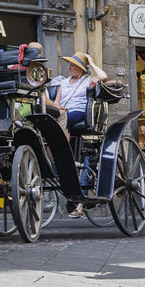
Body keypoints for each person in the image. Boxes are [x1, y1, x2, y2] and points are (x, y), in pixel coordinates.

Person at [44, 51, 108, 218]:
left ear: (81, 68)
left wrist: (92, 63)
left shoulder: (88, 80)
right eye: (70, 65)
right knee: (53, 118)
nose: (69, 67)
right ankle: (52, 154)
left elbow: (103, 77)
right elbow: (57, 103)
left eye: (73, 65)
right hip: (65, 111)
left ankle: (60, 151)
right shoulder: (64, 83)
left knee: (66, 117)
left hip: (79, 112)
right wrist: (57, 109)